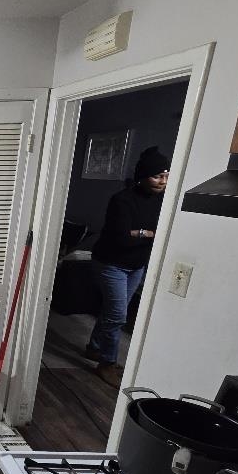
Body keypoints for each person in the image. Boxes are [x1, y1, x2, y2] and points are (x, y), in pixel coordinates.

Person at [85, 146, 170, 385]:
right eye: (157, 176)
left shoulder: (164, 200)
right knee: (118, 315)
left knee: (113, 312)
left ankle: (94, 347)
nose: (162, 181)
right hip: (110, 263)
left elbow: (146, 233)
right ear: (143, 176)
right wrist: (149, 233)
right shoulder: (122, 200)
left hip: (136, 265)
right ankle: (107, 363)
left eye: (166, 176)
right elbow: (121, 237)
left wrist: (140, 233)